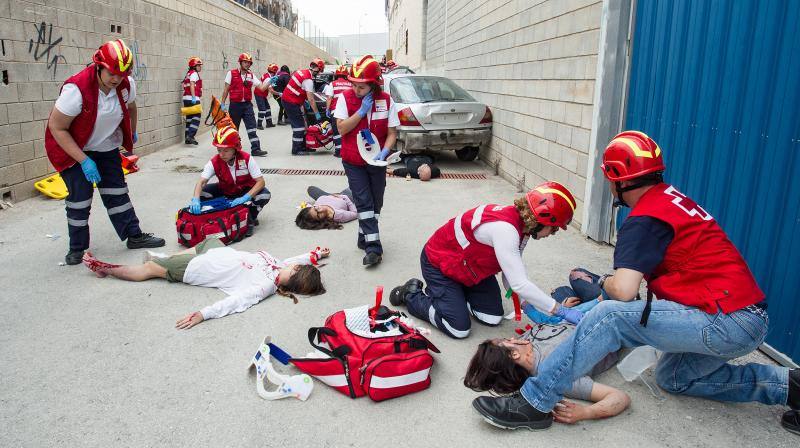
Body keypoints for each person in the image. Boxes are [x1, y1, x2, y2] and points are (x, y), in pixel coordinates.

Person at [471, 131, 800, 434]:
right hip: (745, 317)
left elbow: (626, 292)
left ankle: (534, 402)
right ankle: (792, 387)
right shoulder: (669, 199)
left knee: (610, 315)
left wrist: (608, 281)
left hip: (726, 320)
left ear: (616, 180)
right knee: (673, 378)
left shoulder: (643, 218)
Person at [390, 182, 582, 339]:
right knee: (458, 328)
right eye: (554, 228)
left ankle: (456, 295)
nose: (553, 233)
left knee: (492, 318)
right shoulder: (506, 230)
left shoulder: (523, 229)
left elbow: (511, 274)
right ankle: (411, 295)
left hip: (470, 268)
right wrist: (560, 311)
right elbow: (519, 284)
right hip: (439, 265)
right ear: (542, 219)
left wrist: (526, 306)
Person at [45, 39, 165, 266]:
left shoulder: (125, 84)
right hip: (75, 150)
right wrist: (83, 160)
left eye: (122, 74)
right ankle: (77, 249)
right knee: (79, 200)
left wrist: (133, 130)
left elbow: (131, 107)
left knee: (118, 193)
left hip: (106, 147)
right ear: (98, 65)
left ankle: (134, 236)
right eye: (112, 73)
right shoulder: (76, 90)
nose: (116, 79)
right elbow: (57, 127)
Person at [81, 240, 329, 330]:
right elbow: (293, 259)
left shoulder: (265, 285)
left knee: (150, 270)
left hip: (198, 268)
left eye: (297, 269)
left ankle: (104, 269)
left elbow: (237, 302)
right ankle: (168, 259)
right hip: (216, 251)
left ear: (293, 277)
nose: (293, 265)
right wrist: (314, 255)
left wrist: (203, 314)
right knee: (211, 240)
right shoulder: (278, 266)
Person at [465, 325, 629, 425]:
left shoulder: (524, 344)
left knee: (572, 282)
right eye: (507, 339)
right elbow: (619, 397)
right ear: (514, 354)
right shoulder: (557, 374)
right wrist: (587, 413)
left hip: (579, 311)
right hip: (612, 324)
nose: (513, 337)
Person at [333, 55, 399, 267]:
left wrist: (386, 151)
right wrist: (361, 112)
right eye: (354, 85)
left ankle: (364, 236)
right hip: (353, 161)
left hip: (376, 162)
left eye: (361, 87)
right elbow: (341, 128)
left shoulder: (387, 101)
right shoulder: (345, 98)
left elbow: (391, 133)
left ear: (373, 84)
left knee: (376, 202)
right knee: (363, 201)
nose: (356, 90)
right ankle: (374, 248)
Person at [188, 124, 271, 237]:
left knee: (264, 195)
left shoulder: (247, 159)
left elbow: (260, 182)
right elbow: (201, 182)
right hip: (226, 191)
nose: (222, 154)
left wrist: (246, 197)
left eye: (226, 151)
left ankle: (249, 218)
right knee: (202, 192)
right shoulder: (215, 162)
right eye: (219, 150)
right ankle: (220, 215)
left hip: (245, 192)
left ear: (235, 148)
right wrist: (195, 199)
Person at [219, 52, 270, 157]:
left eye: (249, 63)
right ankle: (233, 149)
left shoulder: (251, 76)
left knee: (252, 127)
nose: (247, 64)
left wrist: (270, 82)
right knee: (234, 129)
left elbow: (262, 88)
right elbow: (226, 90)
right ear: (240, 62)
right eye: (245, 62)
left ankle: (256, 149)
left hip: (247, 105)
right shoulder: (231, 73)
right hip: (235, 105)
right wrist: (222, 103)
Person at [280, 58, 325, 155]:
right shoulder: (308, 80)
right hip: (290, 102)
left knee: (304, 125)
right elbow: (311, 99)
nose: (319, 74)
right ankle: (296, 150)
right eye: (320, 71)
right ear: (317, 69)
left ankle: (304, 146)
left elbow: (299, 88)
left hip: (291, 100)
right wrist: (317, 114)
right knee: (299, 126)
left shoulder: (303, 72)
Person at [323, 65, 352, 157]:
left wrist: (327, 109)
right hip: (348, 112)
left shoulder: (333, 84)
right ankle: (348, 151)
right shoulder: (350, 84)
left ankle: (339, 152)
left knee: (337, 132)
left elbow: (329, 98)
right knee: (347, 131)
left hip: (336, 111)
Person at [182, 57, 203, 145]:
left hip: (186, 99)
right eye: (198, 65)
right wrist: (194, 97)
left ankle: (187, 138)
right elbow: (192, 84)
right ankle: (190, 136)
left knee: (189, 119)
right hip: (192, 99)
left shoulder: (188, 73)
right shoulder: (194, 74)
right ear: (194, 66)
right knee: (197, 117)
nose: (200, 67)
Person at [255, 63, 279, 129]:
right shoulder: (268, 79)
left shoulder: (267, 75)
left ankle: (269, 123)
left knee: (267, 108)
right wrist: (280, 94)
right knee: (262, 109)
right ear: (274, 71)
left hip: (262, 94)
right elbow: (271, 91)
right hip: (259, 94)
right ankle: (259, 124)